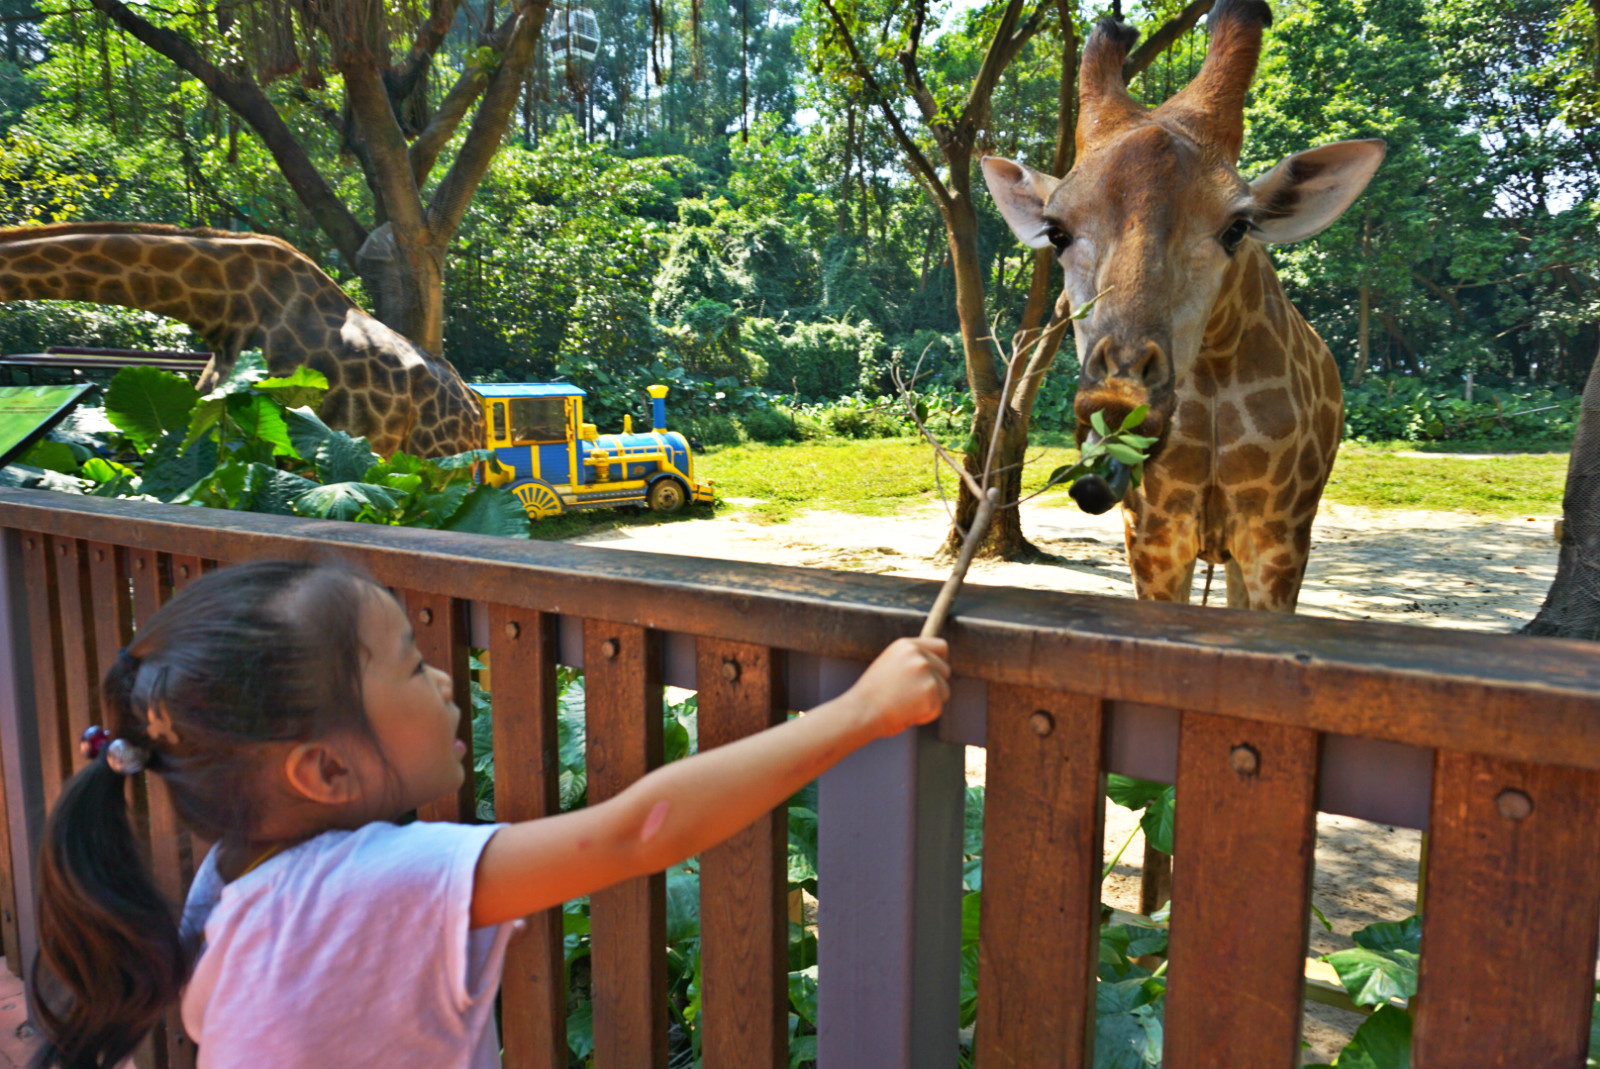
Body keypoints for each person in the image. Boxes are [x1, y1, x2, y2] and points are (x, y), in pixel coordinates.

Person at [30, 559, 950, 1069]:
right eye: (409, 664)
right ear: (325, 768)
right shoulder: (374, 883)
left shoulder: (233, 881)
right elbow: (640, 831)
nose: (442, 680)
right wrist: (861, 712)